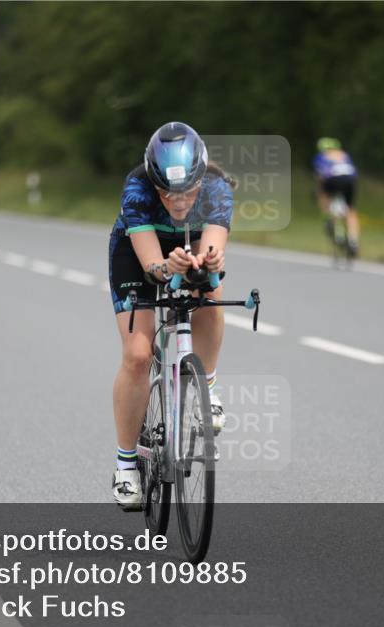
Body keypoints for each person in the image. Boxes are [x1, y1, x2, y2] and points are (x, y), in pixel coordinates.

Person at [108, 121, 233, 509]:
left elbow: (211, 250)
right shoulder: (137, 189)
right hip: (138, 252)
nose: (177, 202)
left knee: (210, 289)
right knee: (138, 355)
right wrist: (168, 267)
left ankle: (207, 388)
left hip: (188, 244)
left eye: (186, 191)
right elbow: (152, 267)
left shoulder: (217, 187)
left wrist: (204, 261)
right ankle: (126, 465)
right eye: (166, 192)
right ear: (153, 182)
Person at [313, 137, 360, 256]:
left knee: (322, 193)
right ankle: (353, 241)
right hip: (350, 180)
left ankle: (329, 218)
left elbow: (320, 177)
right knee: (350, 210)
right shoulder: (344, 154)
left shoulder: (321, 156)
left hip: (332, 179)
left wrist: (319, 191)